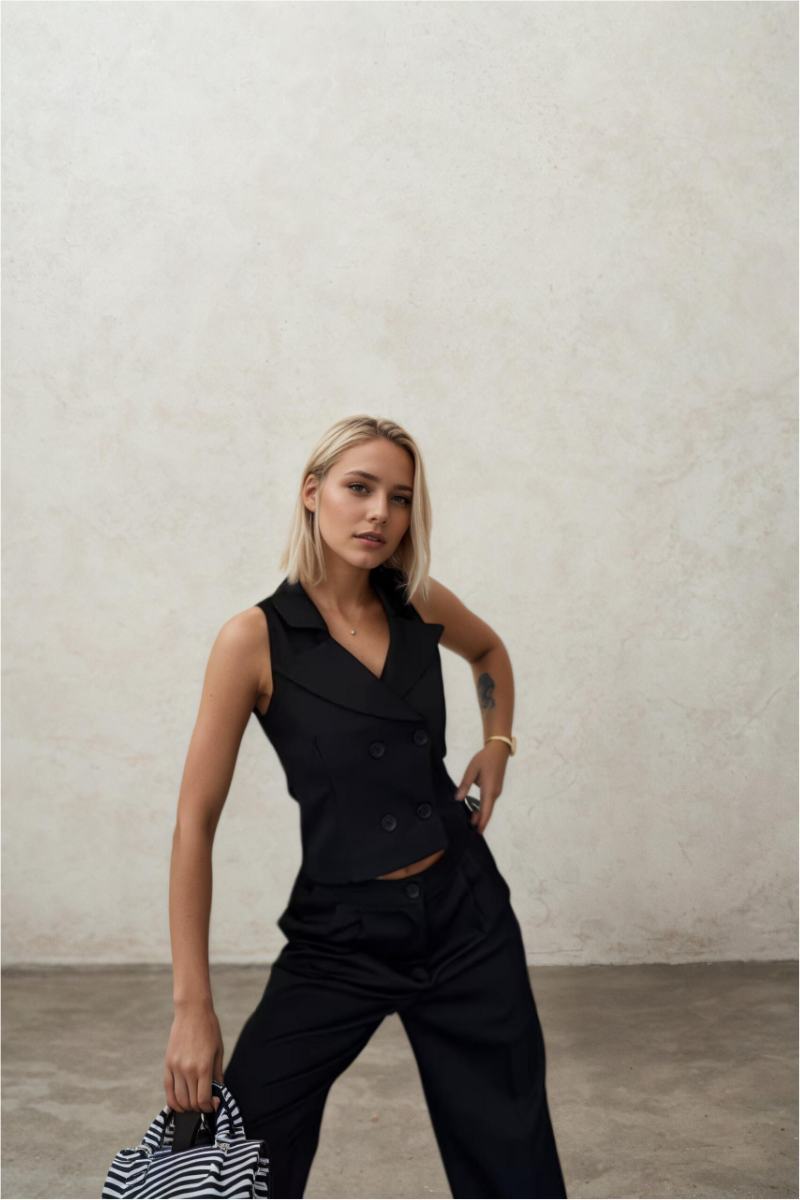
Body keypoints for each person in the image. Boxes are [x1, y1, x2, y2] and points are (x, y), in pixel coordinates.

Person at [163, 415, 568, 1199]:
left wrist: (498, 742)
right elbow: (193, 824)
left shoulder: (415, 600)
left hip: (466, 917)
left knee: (513, 1162)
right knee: (241, 1149)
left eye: (401, 497)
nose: (381, 512)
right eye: (359, 487)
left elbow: (489, 651)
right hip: (342, 932)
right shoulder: (254, 639)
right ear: (312, 493)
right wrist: (191, 1008)